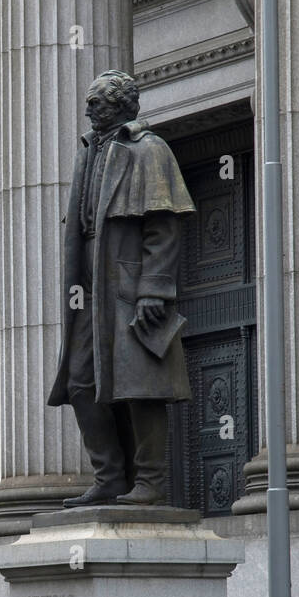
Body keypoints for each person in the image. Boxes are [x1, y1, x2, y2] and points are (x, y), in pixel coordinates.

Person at [48, 70, 196, 506]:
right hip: (91, 282)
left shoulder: (149, 149)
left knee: (140, 383)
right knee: (79, 381)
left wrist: (155, 288)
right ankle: (109, 476)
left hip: (130, 283)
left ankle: (151, 481)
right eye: (89, 101)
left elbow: (163, 226)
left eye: (97, 100)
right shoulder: (87, 153)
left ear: (122, 104)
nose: (89, 107)